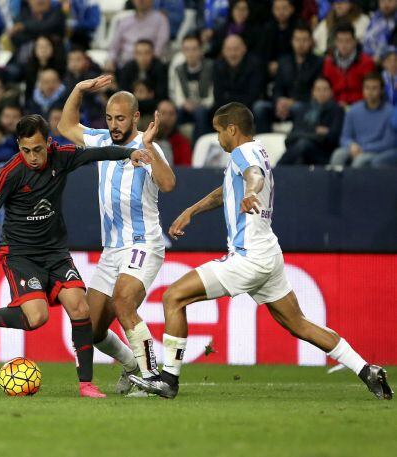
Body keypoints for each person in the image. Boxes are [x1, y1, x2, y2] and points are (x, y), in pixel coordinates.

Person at [130, 102, 393, 401]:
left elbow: (253, 177)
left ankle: (168, 380)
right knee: (299, 324)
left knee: (173, 297)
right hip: (269, 253)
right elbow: (229, 189)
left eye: (219, 132)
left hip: (248, 256)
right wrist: (193, 209)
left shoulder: (245, 154)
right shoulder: (256, 152)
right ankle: (367, 370)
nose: (217, 139)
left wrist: (252, 191)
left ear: (232, 129)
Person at [0, 114, 155, 398]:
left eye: (38, 149)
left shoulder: (62, 157)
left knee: (80, 308)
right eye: (25, 150)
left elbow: (97, 153)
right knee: (37, 317)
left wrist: (131, 152)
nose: (32, 157)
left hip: (55, 252)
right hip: (20, 254)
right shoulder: (9, 173)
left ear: (49, 143)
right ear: (18, 145)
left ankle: (86, 384)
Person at [57, 75, 176, 395]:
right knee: (90, 329)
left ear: (136, 117)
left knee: (124, 303)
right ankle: (132, 366)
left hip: (143, 243)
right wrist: (79, 90)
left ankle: (155, 378)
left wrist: (150, 146)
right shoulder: (100, 141)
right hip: (112, 249)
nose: (114, 125)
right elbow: (66, 127)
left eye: (120, 118)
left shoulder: (147, 146)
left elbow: (168, 185)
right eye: (109, 118)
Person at [254, 24, 322, 134]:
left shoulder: (318, 62)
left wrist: (293, 102)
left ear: (311, 42)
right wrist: (279, 101)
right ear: (292, 41)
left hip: (305, 104)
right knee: (259, 107)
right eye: (297, 40)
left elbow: (317, 92)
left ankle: (293, 143)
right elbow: (277, 88)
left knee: (298, 108)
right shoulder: (284, 61)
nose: (301, 44)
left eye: (304, 40)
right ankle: (264, 145)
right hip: (283, 105)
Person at [329, 72, 397, 168]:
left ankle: (353, 183)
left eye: (374, 88)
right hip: (354, 148)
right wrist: (350, 145)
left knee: (359, 161)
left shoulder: (390, 112)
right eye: (367, 88)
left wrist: (363, 149)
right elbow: (344, 137)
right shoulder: (353, 110)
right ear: (363, 90)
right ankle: (333, 183)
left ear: (381, 90)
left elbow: (388, 143)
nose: (370, 92)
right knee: (338, 155)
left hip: (375, 152)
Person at [279, 77, 344, 165]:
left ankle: (274, 172)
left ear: (331, 92)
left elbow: (333, 137)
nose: (321, 93)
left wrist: (306, 132)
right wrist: (315, 132)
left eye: (325, 89)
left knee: (303, 145)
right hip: (301, 151)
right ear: (313, 92)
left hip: (324, 153)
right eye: (318, 89)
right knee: (300, 151)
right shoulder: (303, 109)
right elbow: (291, 137)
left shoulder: (337, 110)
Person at [170, 33, 214, 142]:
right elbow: (178, 95)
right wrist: (184, 104)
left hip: (205, 107)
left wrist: (199, 104)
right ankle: (177, 148)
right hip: (187, 107)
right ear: (183, 52)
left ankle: (197, 148)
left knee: (200, 112)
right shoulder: (179, 69)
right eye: (187, 49)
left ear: (200, 50)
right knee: (175, 112)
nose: (191, 53)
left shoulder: (210, 67)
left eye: (194, 49)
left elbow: (212, 97)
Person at [322, 23, 376, 106]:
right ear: (336, 42)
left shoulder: (366, 62)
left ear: (354, 42)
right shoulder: (328, 63)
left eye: (347, 41)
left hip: (360, 105)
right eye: (340, 41)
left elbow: (371, 90)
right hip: (335, 106)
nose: (344, 45)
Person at [108, 0, 169, 68]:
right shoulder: (124, 21)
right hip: (123, 66)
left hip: (150, 67)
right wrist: (110, 61)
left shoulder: (160, 19)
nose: (140, 0)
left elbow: (160, 48)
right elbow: (114, 48)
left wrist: (143, 60)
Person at [156, 99, 192, 166]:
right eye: (163, 113)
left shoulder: (183, 142)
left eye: (171, 114)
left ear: (176, 116)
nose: (167, 117)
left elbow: (186, 168)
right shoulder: (146, 139)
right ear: (155, 115)